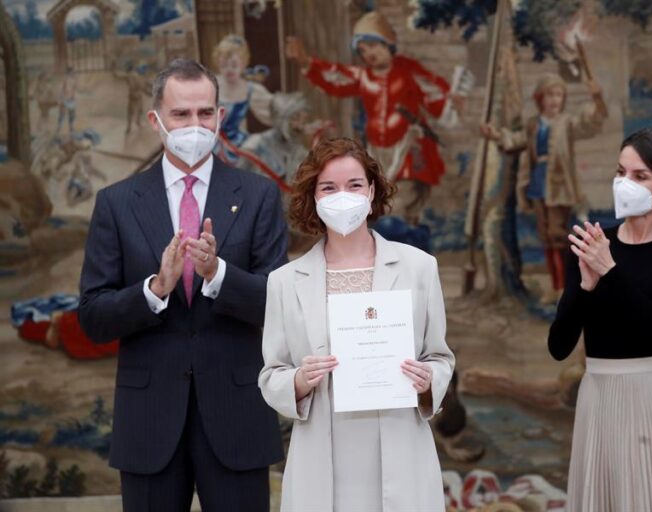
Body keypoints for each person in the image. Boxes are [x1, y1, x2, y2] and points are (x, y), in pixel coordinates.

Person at [78, 58, 286, 512]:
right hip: (149, 424)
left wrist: (219, 276)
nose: (195, 125)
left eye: (205, 113)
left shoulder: (258, 196)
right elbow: (92, 317)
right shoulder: (116, 204)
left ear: (220, 117)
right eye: (181, 114)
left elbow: (281, 304)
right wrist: (154, 288)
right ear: (156, 120)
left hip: (237, 420)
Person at [258, 137, 454, 511]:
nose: (342, 196)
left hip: (401, 444)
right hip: (323, 449)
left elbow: (440, 357)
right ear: (313, 198)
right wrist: (299, 380)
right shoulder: (285, 280)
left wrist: (429, 380)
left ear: (372, 191)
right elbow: (271, 374)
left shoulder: (419, 267)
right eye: (328, 188)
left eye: (354, 185)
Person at [548, 128, 652, 511]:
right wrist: (586, 287)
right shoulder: (591, 244)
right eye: (621, 172)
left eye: (640, 177)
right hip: (600, 396)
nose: (625, 184)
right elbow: (559, 347)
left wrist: (611, 272)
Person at [286, 11, 460, 226]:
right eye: (362, 49)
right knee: (378, 200)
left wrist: (451, 102)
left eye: (373, 45)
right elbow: (335, 77)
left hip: (407, 146)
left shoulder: (408, 71)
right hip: (377, 150)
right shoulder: (363, 76)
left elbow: (435, 92)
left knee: (406, 199)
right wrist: (307, 63)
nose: (368, 53)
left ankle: (408, 239)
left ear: (388, 43)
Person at [481, 73, 606, 304]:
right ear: (540, 98)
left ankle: (568, 286)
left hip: (559, 188)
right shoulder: (533, 124)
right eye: (549, 95)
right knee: (546, 238)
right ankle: (555, 286)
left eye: (558, 94)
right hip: (537, 185)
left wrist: (597, 100)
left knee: (559, 237)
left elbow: (590, 123)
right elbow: (517, 140)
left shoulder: (567, 122)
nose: (554, 100)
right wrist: (496, 134)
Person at [213, 34, 273, 166]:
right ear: (218, 63)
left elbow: (273, 111)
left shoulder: (249, 89)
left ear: (244, 63)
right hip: (209, 143)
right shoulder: (211, 84)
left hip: (237, 145)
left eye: (234, 65)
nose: (229, 69)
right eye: (224, 65)